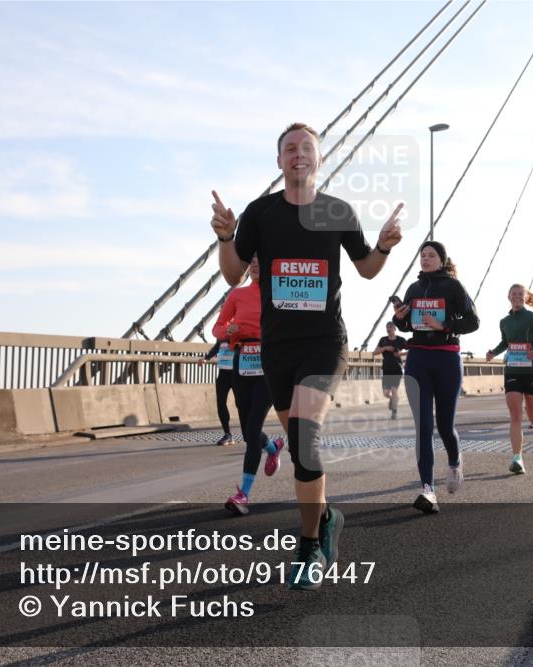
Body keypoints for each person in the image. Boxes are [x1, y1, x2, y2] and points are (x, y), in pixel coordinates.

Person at [212, 122, 403, 590]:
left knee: (304, 433)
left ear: (319, 159)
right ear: (279, 161)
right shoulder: (261, 213)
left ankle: (310, 546)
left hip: (324, 342)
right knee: (300, 446)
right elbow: (233, 276)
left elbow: (367, 270)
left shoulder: (336, 210)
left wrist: (382, 245)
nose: (299, 155)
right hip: (278, 348)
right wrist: (226, 237)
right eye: (290, 149)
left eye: (307, 149)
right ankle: (329, 517)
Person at [393, 241, 479, 513]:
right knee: (423, 427)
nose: (426, 259)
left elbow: (473, 321)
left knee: (444, 425)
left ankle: (454, 462)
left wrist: (445, 325)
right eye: (423, 255)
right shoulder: (414, 289)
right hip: (418, 359)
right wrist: (399, 319)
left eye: (431, 255)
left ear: (442, 260)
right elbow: (407, 326)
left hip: (447, 359)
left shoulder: (453, 286)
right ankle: (427, 490)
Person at [215, 257, 286, 516]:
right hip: (241, 361)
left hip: (268, 364)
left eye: (260, 261)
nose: (256, 265)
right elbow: (217, 328)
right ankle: (272, 447)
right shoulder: (238, 294)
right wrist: (228, 329)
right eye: (252, 261)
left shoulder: (278, 293)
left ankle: (243, 493)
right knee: (247, 433)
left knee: (254, 426)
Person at [487, 284, 533, 475]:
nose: (516, 297)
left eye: (520, 294)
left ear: (525, 297)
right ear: (508, 296)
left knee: (532, 416)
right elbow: (505, 342)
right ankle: (517, 458)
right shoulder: (504, 321)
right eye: (514, 294)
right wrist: (494, 352)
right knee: (515, 415)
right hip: (512, 371)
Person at [373, 322, 407, 420]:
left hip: (397, 369)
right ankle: (392, 399)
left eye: (391, 327)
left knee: (394, 390)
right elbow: (375, 352)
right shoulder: (383, 340)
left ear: (395, 328)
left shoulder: (401, 340)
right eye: (387, 327)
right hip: (386, 369)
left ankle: (394, 412)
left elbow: (412, 350)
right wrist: (385, 348)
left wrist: (401, 354)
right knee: (386, 393)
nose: (389, 329)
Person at [205, 337, 235, 445]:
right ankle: (227, 434)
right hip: (223, 374)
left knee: (242, 405)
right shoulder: (221, 333)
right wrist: (206, 358)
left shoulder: (239, 329)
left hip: (237, 374)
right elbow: (217, 347)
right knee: (221, 404)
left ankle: (251, 434)